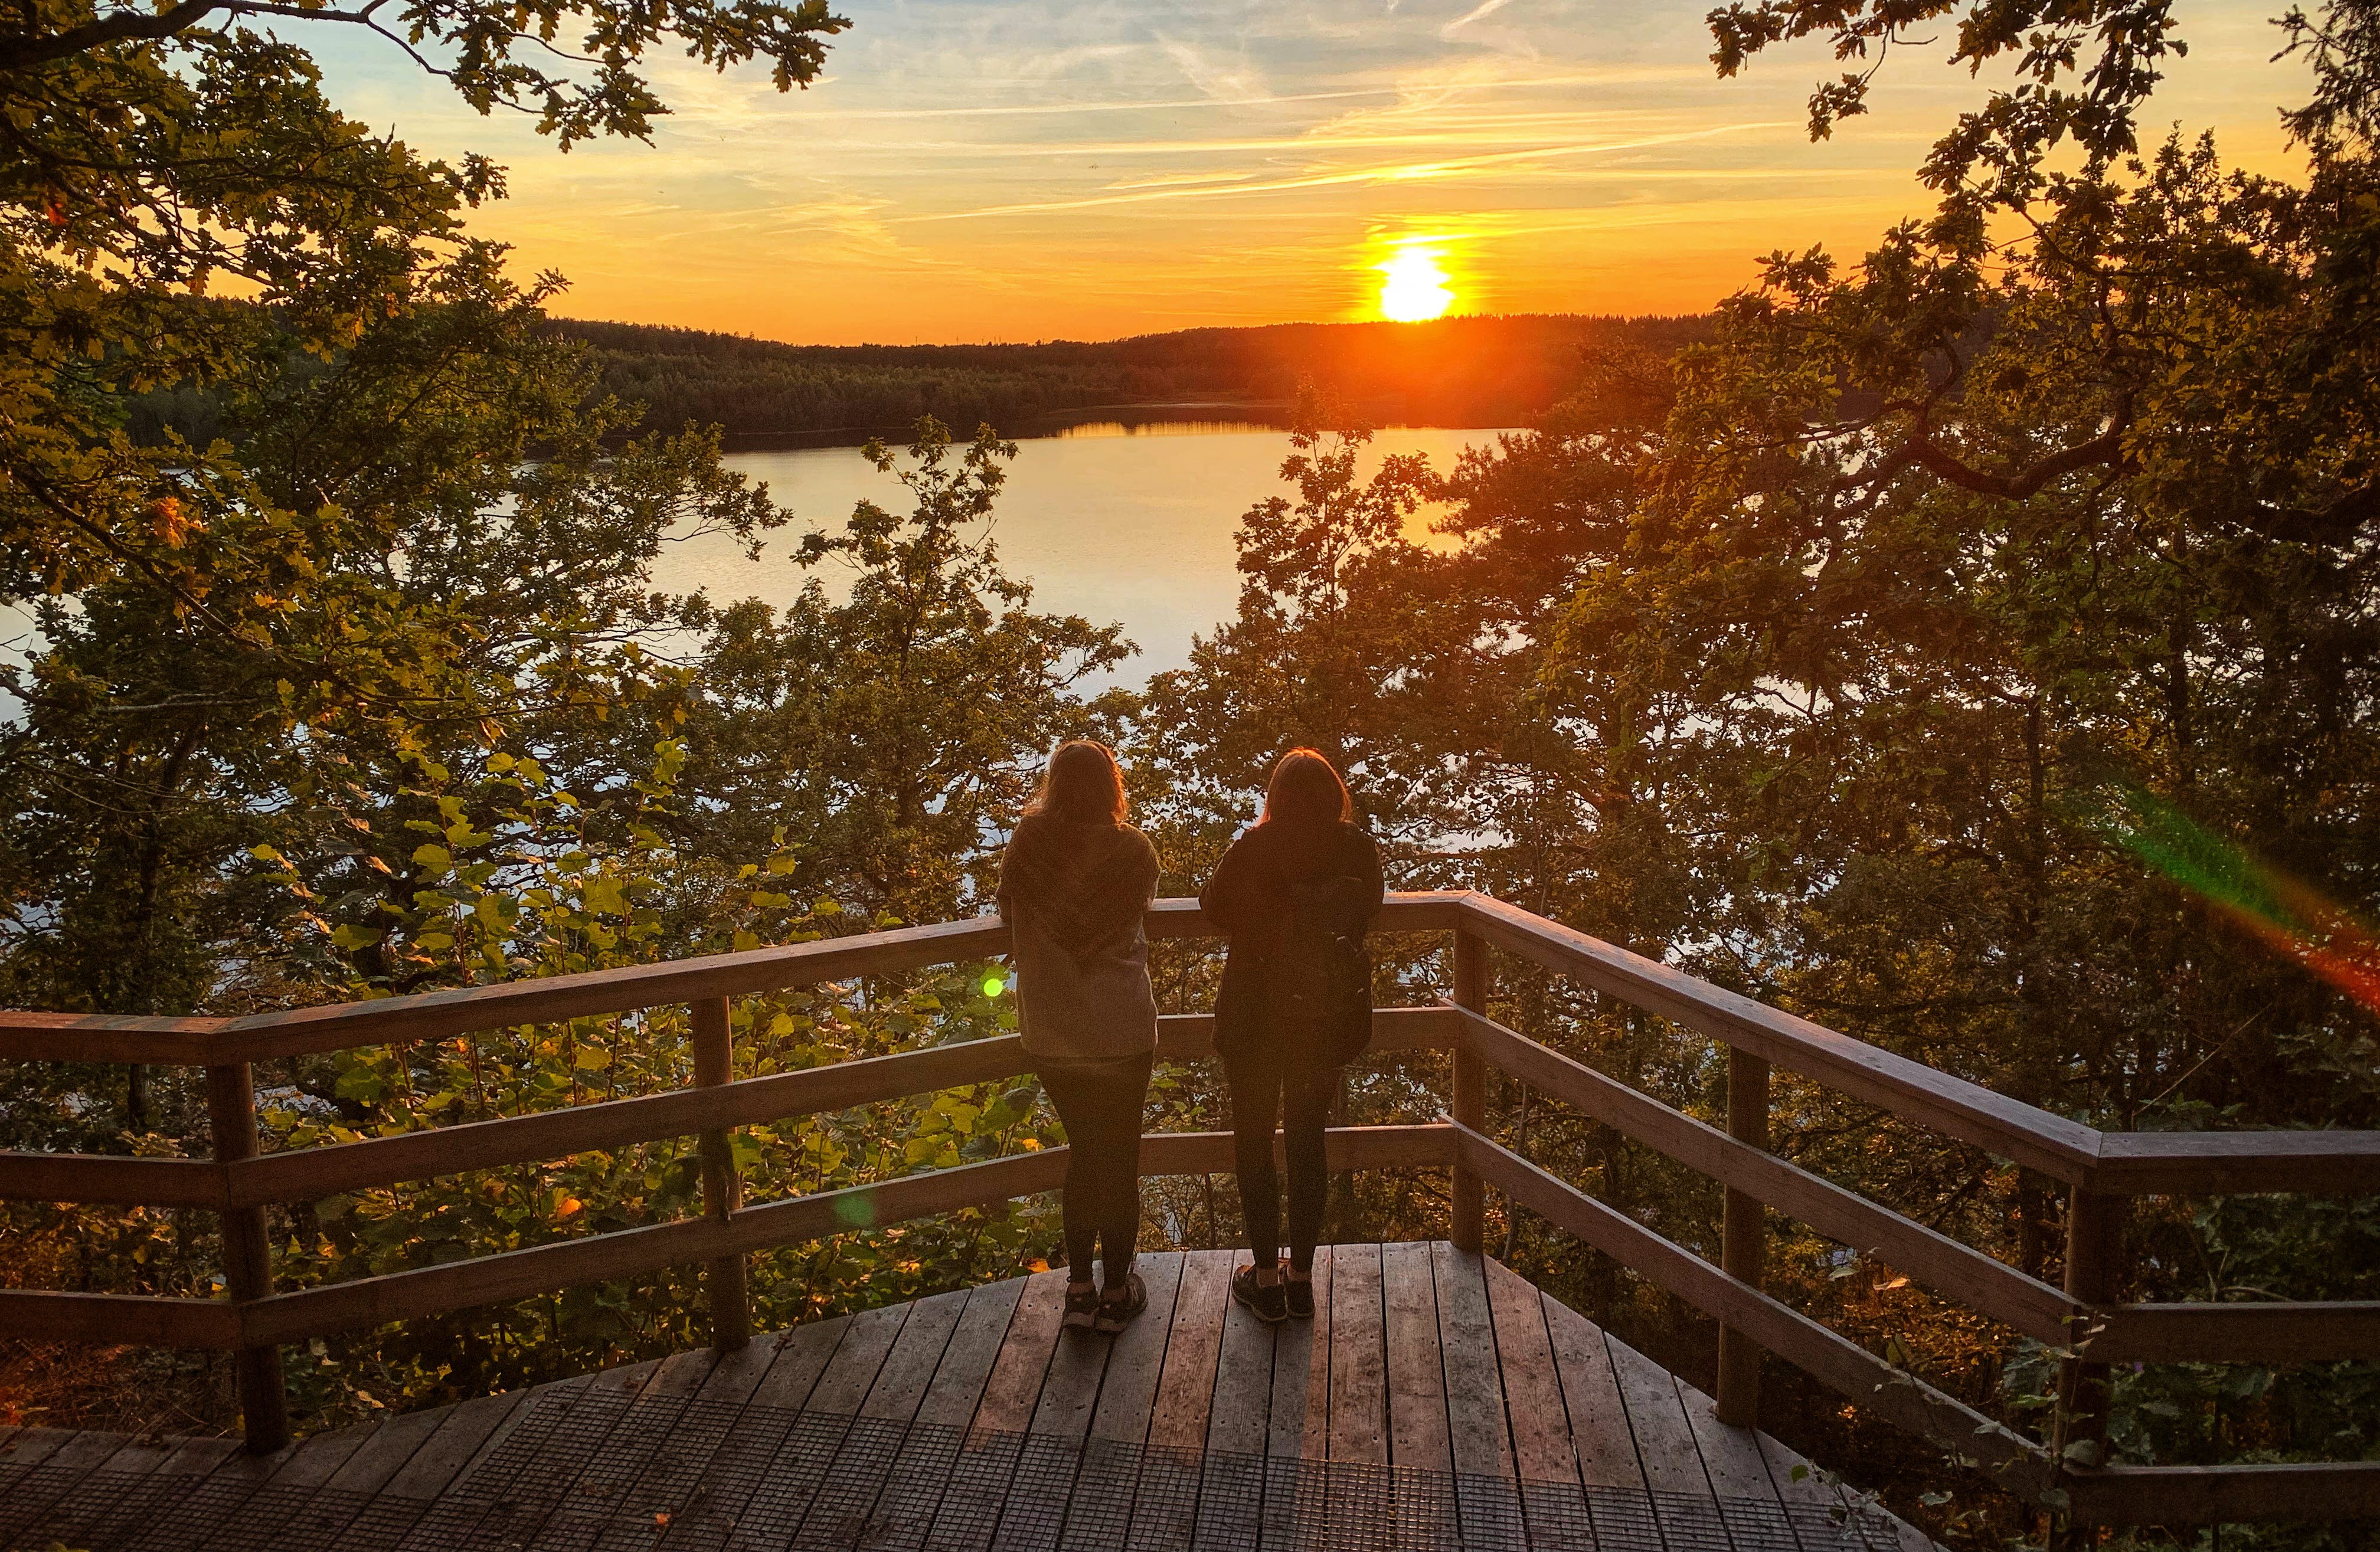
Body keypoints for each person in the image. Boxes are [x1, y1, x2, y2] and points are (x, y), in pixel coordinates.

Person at [1199, 747, 1384, 1323]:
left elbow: (1211, 905)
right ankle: (1302, 1279)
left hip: (1254, 1019)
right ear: (1334, 794)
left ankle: (1268, 1279)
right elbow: (1369, 908)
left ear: (1275, 797)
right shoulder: (1355, 847)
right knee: (1308, 1144)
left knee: (1254, 1146)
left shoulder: (1257, 846)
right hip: (1323, 1020)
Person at [996, 740, 1161, 1334]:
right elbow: (1133, 910)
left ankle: (1080, 1288)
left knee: (1084, 1154)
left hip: (1055, 1028)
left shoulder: (1029, 844)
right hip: (1120, 1025)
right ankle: (1117, 1290)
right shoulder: (1134, 850)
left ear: (1055, 785)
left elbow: (1006, 915)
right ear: (1112, 786)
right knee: (1118, 1157)